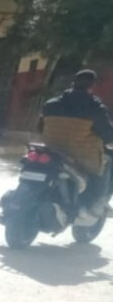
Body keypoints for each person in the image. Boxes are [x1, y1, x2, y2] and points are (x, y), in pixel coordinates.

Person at [39, 69, 113, 216]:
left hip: (52, 150)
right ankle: (97, 203)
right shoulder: (95, 108)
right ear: (92, 87)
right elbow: (107, 135)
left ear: (73, 84)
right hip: (81, 156)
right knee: (107, 162)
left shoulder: (51, 104)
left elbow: (40, 127)